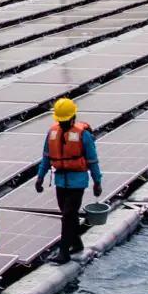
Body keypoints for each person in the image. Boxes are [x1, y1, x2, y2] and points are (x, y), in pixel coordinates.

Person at [33, 96, 103, 263]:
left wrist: (97, 182)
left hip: (77, 182)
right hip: (60, 181)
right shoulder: (52, 133)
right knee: (69, 216)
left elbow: (93, 160)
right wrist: (40, 177)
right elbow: (46, 157)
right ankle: (77, 243)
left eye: (66, 121)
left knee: (68, 215)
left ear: (73, 117)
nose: (63, 124)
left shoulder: (83, 135)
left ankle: (63, 252)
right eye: (61, 121)